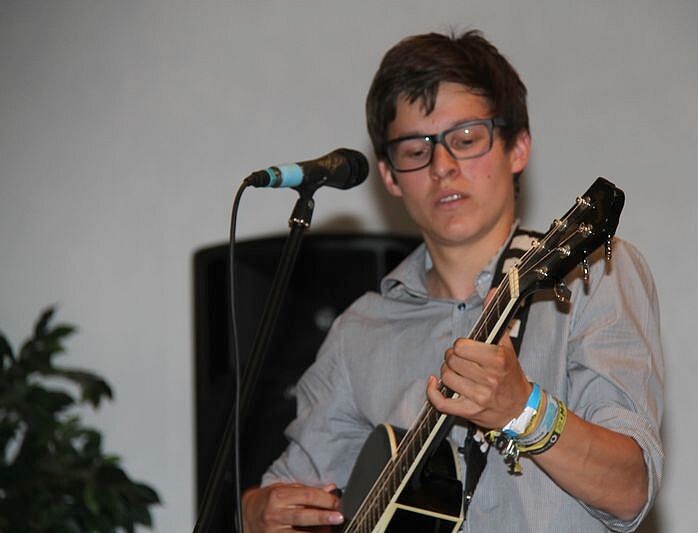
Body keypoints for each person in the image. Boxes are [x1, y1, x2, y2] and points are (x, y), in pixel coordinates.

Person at [243, 30, 663, 532]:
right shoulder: (360, 332)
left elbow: (629, 491)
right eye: (414, 149)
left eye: (466, 139)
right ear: (390, 176)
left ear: (517, 148)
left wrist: (523, 409)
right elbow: (291, 494)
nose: (442, 167)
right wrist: (253, 512)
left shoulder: (592, 275)